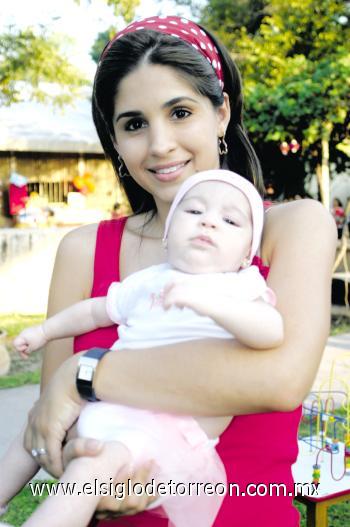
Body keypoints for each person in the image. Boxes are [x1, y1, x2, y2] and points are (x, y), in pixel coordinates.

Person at [8, 14, 336, 527]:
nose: (159, 144)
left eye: (180, 112)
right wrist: (87, 447)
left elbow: (279, 379)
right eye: (134, 123)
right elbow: (55, 421)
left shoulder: (291, 228)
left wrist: (84, 373)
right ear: (114, 139)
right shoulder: (83, 249)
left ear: (221, 112)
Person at [1, 170, 283, 527]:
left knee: (91, 466)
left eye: (229, 220)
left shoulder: (241, 287)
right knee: (37, 424)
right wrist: (44, 331)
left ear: (247, 254)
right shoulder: (149, 281)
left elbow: (271, 331)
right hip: (109, 397)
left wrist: (208, 303)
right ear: (167, 237)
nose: (209, 222)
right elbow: (94, 311)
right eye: (194, 212)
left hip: (167, 427)